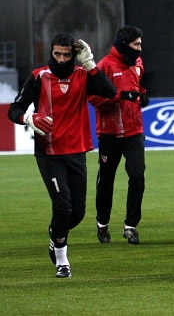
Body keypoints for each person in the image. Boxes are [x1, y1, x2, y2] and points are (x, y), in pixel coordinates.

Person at [8, 34, 115, 278]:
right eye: (58, 54)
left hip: (77, 150)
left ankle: (55, 236)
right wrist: (29, 118)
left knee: (77, 213)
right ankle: (62, 260)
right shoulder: (39, 76)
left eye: (67, 55)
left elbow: (110, 92)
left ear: (73, 55)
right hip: (49, 152)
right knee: (63, 205)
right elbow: (15, 109)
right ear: (51, 53)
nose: (62, 59)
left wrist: (90, 63)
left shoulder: (82, 75)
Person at [89, 25, 149, 245]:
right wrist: (120, 96)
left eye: (140, 44)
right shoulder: (103, 66)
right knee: (106, 180)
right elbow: (94, 99)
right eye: (136, 45)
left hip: (135, 130)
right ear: (125, 45)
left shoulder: (138, 64)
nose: (140, 49)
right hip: (109, 132)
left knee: (137, 176)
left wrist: (142, 95)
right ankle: (102, 224)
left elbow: (138, 87)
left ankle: (131, 225)